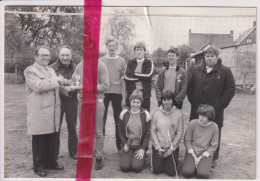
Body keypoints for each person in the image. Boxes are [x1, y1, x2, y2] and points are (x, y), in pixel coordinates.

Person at [24, 46, 71, 177]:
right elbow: (39, 86)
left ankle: (51, 161)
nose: (46, 58)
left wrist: (70, 86)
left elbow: (57, 85)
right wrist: (57, 80)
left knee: (52, 137)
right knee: (39, 138)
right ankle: (38, 166)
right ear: (36, 57)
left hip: (54, 110)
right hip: (40, 111)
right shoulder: (30, 71)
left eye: (47, 55)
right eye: (43, 55)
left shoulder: (50, 69)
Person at [187, 46, 235, 163]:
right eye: (207, 56)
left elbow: (230, 89)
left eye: (212, 56)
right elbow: (190, 87)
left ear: (217, 57)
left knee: (214, 132)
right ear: (204, 57)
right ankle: (193, 156)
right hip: (197, 109)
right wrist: (194, 101)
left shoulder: (225, 71)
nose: (209, 58)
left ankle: (211, 159)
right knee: (196, 131)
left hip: (215, 110)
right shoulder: (196, 70)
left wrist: (220, 104)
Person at [72, 54, 109, 170]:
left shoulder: (101, 66)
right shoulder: (79, 66)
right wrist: (68, 83)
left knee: (98, 131)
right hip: (83, 101)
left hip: (97, 101)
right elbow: (75, 81)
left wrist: (88, 87)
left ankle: (99, 157)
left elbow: (106, 85)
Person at [50, 46, 78, 160]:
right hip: (57, 101)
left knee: (72, 127)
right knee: (56, 127)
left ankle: (73, 151)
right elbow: (52, 83)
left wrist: (65, 83)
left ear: (71, 56)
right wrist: (67, 84)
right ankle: (54, 153)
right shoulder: (51, 68)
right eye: (63, 55)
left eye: (67, 55)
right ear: (59, 55)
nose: (65, 57)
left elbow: (77, 83)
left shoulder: (77, 68)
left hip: (72, 101)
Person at [99, 37, 126, 151]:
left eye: (113, 46)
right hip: (103, 93)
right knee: (101, 119)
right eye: (109, 46)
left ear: (117, 47)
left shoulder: (122, 61)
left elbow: (124, 80)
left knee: (118, 119)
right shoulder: (101, 60)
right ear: (106, 47)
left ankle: (119, 146)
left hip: (117, 93)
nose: (111, 48)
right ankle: (100, 147)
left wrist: (124, 97)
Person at [150, 90, 184, 177]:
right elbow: (153, 132)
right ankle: (159, 159)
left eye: (169, 99)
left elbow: (179, 133)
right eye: (164, 100)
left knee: (171, 172)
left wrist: (171, 149)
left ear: (173, 100)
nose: (167, 102)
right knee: (156, 170)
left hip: (171, 147)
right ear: (161, 101)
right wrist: (158, 147)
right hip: (159, 146)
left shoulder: (178, 114)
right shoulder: (156, 114)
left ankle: (174, 158)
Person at [182, 104, 219, 179]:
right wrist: (194, 157)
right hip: (192, 152)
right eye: (200, 115)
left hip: (204, 153)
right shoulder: (193, 123)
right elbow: (187, 140)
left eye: (204, 116)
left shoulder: (214, 127)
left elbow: (213, 145)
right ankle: (194, 166)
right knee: (187, 173)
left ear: (210, 117)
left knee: (203, 175)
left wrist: (201, 157)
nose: (200, 118)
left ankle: (201, 166)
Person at [118, 89, 151, 172]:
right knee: (124, 167)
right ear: (130, 101)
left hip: (139, 145)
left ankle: (141, 158)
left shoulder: (146, 114)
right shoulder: (124, 113)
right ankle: (128, 155)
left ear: (141, 103)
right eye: (133, 102)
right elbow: (120, 131)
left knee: (136, 167)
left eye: (138, 102)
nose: (135, 105)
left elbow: (147, 134)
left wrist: (143, 149)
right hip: (128, 144)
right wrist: (125, 143)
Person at [124, 42, 154, 112]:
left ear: (144, 51)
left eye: (141, 49)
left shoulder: (149, 62)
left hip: (145, 94)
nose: (139, 52)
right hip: (132, 92)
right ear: (135, 51)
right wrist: (142, 77)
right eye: (137, 50)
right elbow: (126, 77)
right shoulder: (130, 62)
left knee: (145, 115)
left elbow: (149, 76)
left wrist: (134, 73)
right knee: (131, 114)